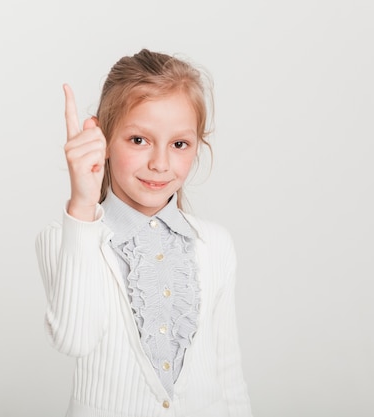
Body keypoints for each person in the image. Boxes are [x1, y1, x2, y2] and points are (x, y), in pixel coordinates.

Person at [35, 49, 252, 417]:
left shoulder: (215, 244)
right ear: (103, 138)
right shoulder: (66, 237)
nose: (160, 163)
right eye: (139, 140)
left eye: (179, 144)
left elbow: (228, 372)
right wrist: (84, 205)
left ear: (198, 146)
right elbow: (75, 339)